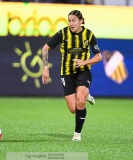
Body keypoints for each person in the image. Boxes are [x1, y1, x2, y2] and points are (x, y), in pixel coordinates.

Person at [41, 10, 102, 141]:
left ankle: (77, 135)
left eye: (74, 20)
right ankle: (86, 96)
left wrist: (84, 62)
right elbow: (45, 48)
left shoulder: (89, 35)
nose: (71, 23)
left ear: (81, 21)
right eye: (69, 20)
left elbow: (98, 57)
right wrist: (45, 68)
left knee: (80, 102)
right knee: (73, 109)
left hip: (83, 72)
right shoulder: (63, 33)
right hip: (66, 73)